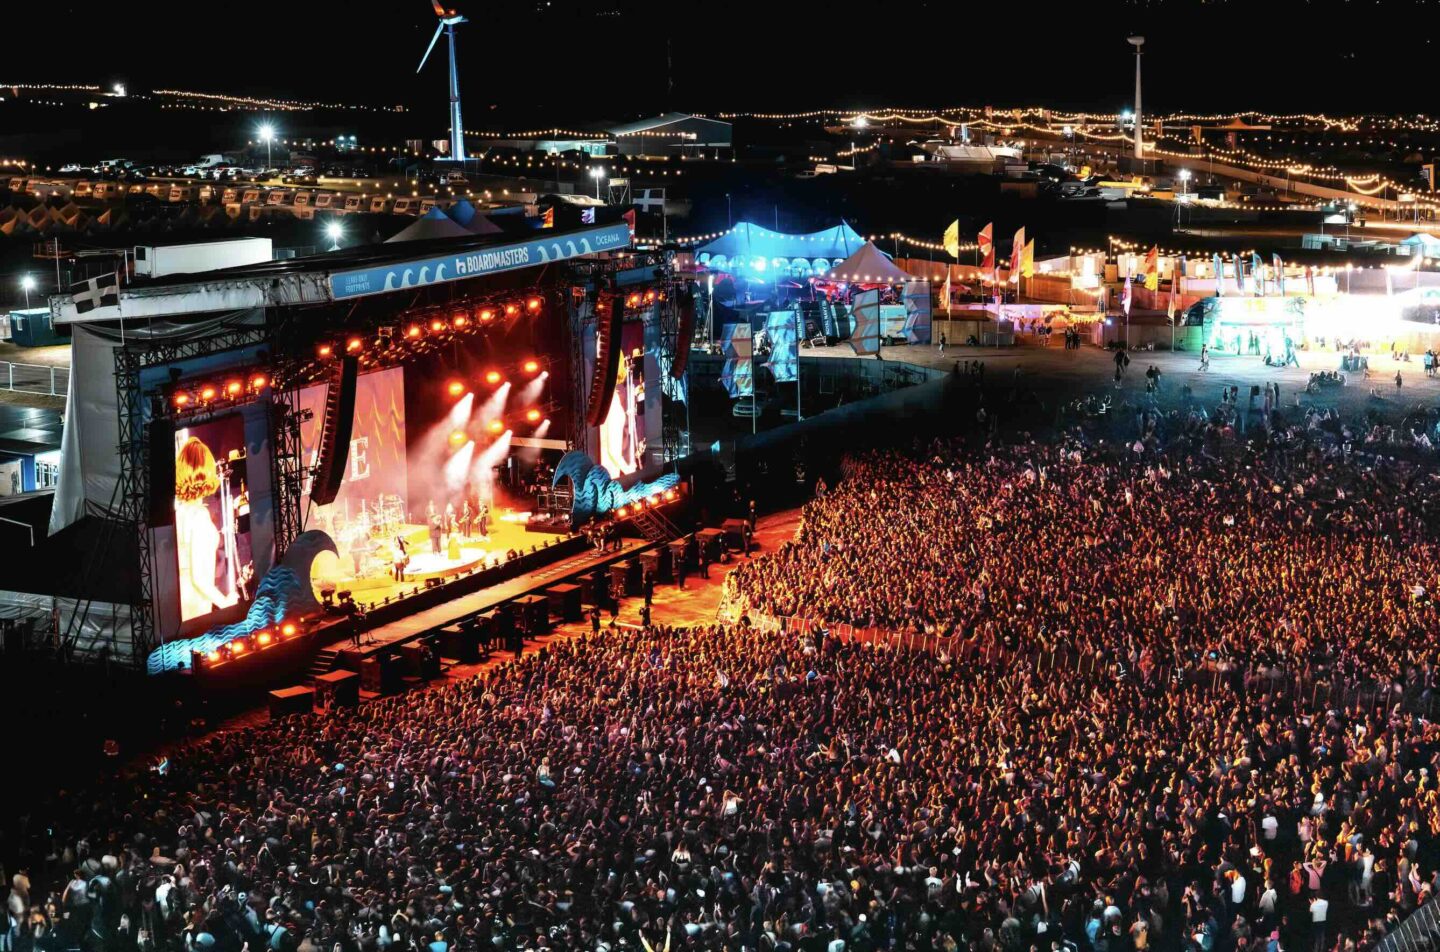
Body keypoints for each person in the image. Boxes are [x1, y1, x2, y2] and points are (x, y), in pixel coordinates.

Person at [174, 436, 239, 619]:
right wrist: (226, 603)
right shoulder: (198, 516)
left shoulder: (180, 513)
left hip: (181, 605)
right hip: (195, 606)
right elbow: (200, 579)